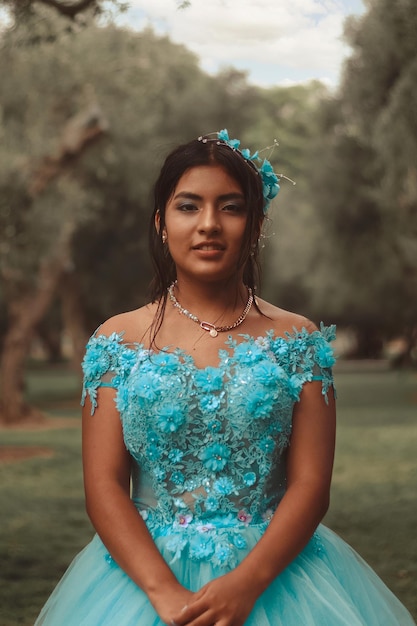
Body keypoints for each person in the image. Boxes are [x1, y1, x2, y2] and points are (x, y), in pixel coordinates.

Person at [35, 130, 415, 626]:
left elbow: (311, 485)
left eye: (231, 208)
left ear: (255, 225)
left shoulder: (297, 341)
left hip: (277, 579)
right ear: (161, 222)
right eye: (188, 207)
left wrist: (246, 584)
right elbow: (104, 486)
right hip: (142, 583)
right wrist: (164, 592)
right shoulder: (116, 340)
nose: (208, 225)